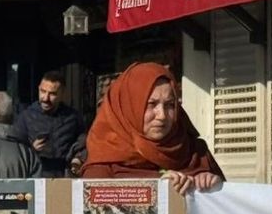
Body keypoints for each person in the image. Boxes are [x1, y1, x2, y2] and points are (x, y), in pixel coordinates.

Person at [79, 62, 223, 195]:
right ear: (129, 108)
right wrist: (154, 189)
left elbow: (226, 208)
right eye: (151, 104)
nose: (162, 115)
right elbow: (96, 210)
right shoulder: (103, 164)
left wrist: (215, 187)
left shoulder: (196, 152)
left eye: (170, 105)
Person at [13, 70, 81, 178]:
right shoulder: (26, 117)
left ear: (62, 94)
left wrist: (77, 159)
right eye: (43, 91)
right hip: (37, 176)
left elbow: (82, 143)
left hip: (64, 177)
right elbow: (15, 151)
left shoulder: (73, 117)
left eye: (52, 94)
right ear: (38, 89)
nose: (45, 98)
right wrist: (32, 149)